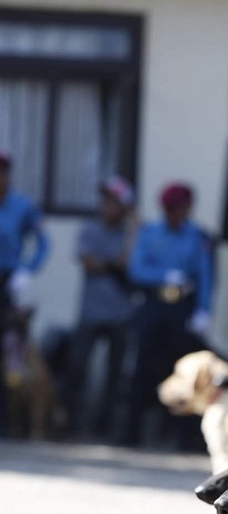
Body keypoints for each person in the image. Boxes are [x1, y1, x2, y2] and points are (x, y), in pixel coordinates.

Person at [122, 182, 213, 448]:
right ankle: (131, 434)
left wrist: (203, 311)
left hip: (181, 310)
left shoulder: (197, 237)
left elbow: (205, 275)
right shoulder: (149, 233)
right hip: (154, 304)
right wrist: (164, 276)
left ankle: (182, 437)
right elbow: (136, 269)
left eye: (181, 209)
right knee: (142, 368)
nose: (177, 213)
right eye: (172, 209)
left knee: (183, 370)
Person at [64, 176, 136, 440]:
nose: (108, 206)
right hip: (91, 313)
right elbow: (88, 263)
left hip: (121, 314)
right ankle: (70, 423)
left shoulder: (130, 234)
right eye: (105, 201)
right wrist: (112, 264)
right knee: (77, 367)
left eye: (115, 202)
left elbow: (129, 264)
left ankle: (104, 428)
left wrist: (133, 230)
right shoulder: (89, 229)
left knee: (114, 375)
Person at [0, 151, 50, 434]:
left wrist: (27, 270)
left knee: (11, 354)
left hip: (8, 284)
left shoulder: (22, 207)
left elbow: (43, 243)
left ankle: (9, 421)